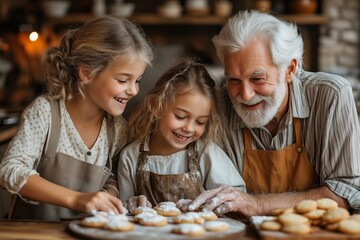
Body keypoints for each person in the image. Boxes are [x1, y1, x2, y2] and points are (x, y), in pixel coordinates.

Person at [183, 10, 360, 217]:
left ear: (290, 70)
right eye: (234, 80)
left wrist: (256, 204)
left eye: (258, 79)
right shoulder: (219, 105)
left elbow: (344, 195)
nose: (246, 95)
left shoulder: (330, 95)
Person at [0, 15, 153, 220]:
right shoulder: (45, 113)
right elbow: (10, 170)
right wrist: (76, 199)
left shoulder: (117, 129)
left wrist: (108, 195)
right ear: (86, 73)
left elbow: (113, 177)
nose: (133, 90)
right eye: (123, 80)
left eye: (138, 81)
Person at [117, 58, 245, 213]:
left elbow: (237, 196)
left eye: (200, 122)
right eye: (180, 117)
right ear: (155, 106)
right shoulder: (131, 156)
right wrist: (129, 204)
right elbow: (122, 208)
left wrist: (206, 205)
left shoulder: (206, 152)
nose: (189, 128)